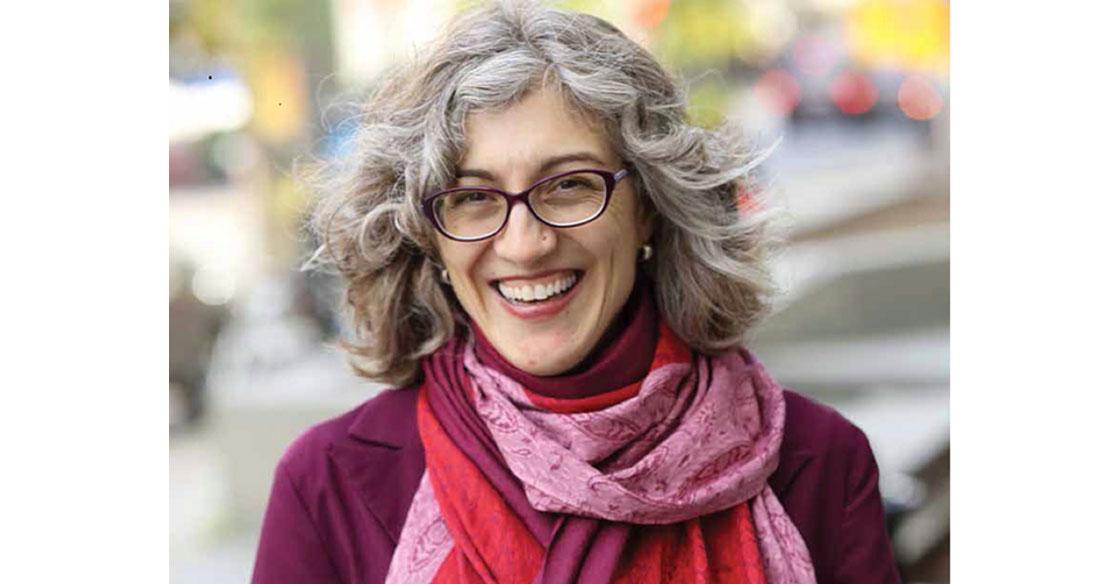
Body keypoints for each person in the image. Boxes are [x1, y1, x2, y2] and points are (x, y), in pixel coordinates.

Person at [251, 2, 901, 582]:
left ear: (647, 206)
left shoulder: (817, 464)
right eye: (473, 198)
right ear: (428, 234)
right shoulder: (330, 486)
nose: (525, 242)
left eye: (570, 185)